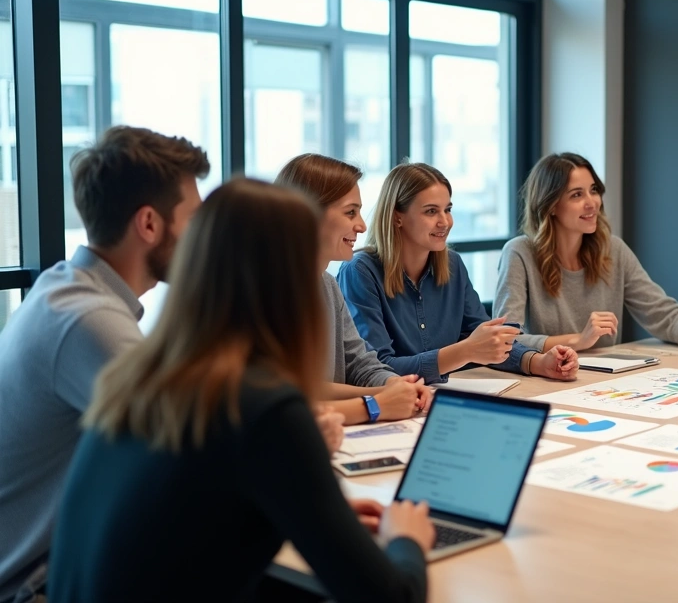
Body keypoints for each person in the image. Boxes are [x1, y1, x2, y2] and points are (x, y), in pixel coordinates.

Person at [48, 179, 434, 602]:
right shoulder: (264, 408)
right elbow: (393, 598)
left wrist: (311, 516)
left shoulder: (138, 379)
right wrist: (407, 538)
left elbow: (193, 518)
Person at [0, 126, 208, 602]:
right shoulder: (88, 320)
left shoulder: (66, 287)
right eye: (194, 220)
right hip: (37, 589)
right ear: (150, 224)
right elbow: (193, 452)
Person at [338, 162, 578, 385]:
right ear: (397, 217)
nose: (445, 221)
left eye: (448, 209)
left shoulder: (452, 265)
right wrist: (466, 351)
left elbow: (487, 342)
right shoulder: (360, 271)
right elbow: (378, 368)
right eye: (431, 211)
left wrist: (538, 362)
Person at [494, 152, 678, 358]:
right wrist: (578, 340)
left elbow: (662, 312)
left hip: (602, 382)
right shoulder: (519, 253)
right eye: (576, 195)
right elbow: (507, 338)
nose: (592, 202)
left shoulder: (612, 249)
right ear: (550, 206)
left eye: (593, 190)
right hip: (544, 381)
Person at [274, 154, 432, 426]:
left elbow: (360, 362)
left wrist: (394, 385)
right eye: (350, 212)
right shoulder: (265, 293)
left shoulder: (327, 284)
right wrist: (376, 401)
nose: (361, 225)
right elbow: (291, 393)